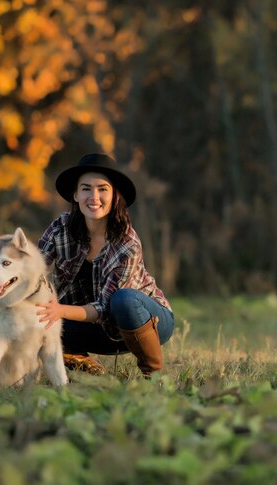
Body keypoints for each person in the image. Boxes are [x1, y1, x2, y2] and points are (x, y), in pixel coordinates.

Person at [36, 153, 175, 377]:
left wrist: (59, 310)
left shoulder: (127, 242)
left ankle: (154, 374)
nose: (94, 196)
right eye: (86, 188)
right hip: (93, 329)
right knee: (36, 318)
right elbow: (33, 267)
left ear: (114, 195)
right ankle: (80, 361)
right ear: (75, 194)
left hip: (145, 322)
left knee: (123, 300)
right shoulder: (60, 228)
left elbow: (104, 308)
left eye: (102, 189)